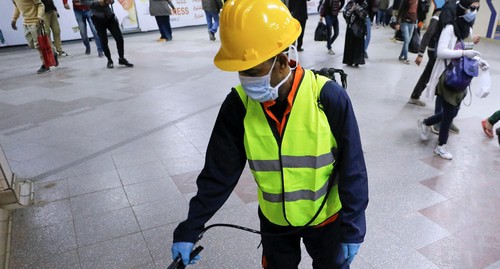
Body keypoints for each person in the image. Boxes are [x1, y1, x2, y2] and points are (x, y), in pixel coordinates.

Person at [170, 0, 369, 268]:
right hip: (275, 223)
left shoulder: (327, 98)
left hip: (327, 220)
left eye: (254, 71)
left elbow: (353, 167)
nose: (246, 79)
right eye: (241, 71)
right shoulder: (238, 106)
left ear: (283, 60)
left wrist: (353, 226)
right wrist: (190, 227)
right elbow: (218, 174)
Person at [418, 0, 489, 160]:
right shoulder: (450, 27)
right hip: (447, 74)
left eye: (477, 9)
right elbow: (441, 52)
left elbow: (469, 52)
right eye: (472, 8)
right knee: (450, 112)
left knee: (453, 111)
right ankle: (441, 145)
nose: (474, 12)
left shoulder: (468, 29)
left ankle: (426, 122)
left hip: (461, 77)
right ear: (463, 8)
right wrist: (464, 54)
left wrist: (479, 61)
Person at [11, 0, 59, 74]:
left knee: (38, 45)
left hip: (35, 21)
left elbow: (41, 5)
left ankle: (45, 65)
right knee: (31, 44)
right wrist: (14, 20)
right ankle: (53, 52)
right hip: (26, 23)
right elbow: (17, 7)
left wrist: (39, 16)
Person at [84, 0, 133, 69]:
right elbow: (85, 2)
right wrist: (99, 2)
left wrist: (110, 1)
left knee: (119, 38)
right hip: (97, 19)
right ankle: (109, 60)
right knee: (103, 40)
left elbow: (111, 1)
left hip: (110, 16)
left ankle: (121, 58)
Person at [408, 8, 442, 107]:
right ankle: (442, 105)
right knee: (441, 75)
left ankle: (415, 95)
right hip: (434, 51)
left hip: (435, 51)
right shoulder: (438, 15)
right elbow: (428, 34)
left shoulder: (445, 14)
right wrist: (420, 54)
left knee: (427, 74)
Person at [342, 0, 368, 67]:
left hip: (360, 27)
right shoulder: (350, 3)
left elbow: (365, 15)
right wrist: (352, 9)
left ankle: (357, 61)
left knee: (358, 44)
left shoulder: (364, 4)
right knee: (350, 44)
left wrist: (356, 9)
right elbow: (345, 13)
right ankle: (349, 61)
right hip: (351, 26)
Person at [397, 0, 418, 64]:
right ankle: (406, 58)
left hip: (412, 23)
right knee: (406, 40)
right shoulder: (405, 1)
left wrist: (416, 21)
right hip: (405, 22)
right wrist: (397, 22)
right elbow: (401, 10)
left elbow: (416, 10)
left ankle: (401, 56)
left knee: (408, 41)